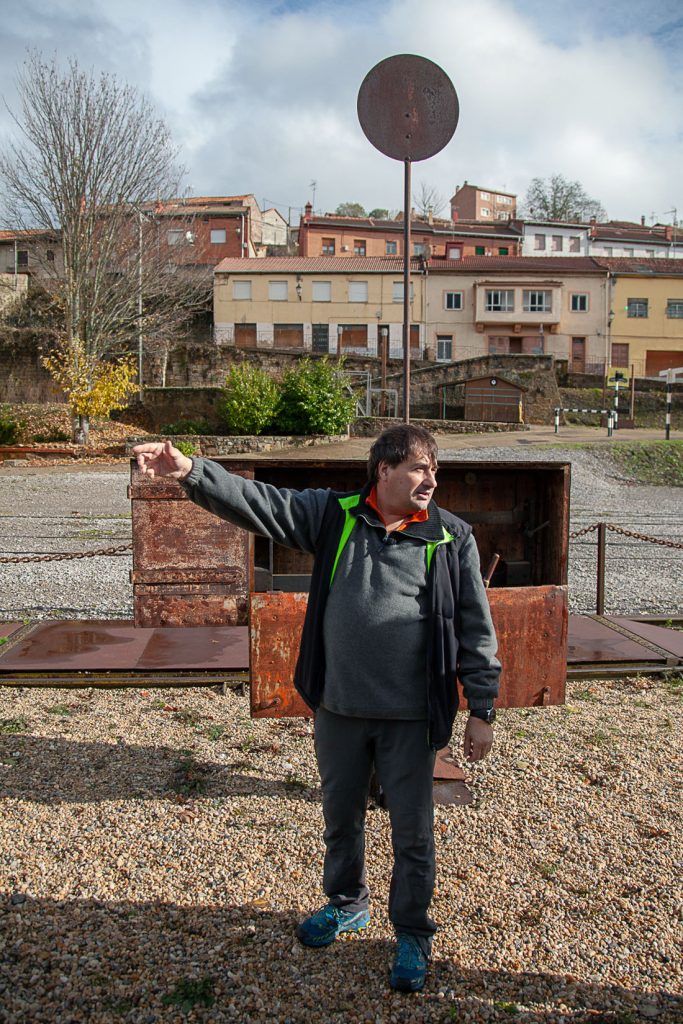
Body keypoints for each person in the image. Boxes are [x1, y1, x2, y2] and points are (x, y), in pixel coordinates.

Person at [133, 424, 500, 993]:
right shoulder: (337, 515)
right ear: (383, 470)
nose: (432, 479)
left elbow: (476, 628)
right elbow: (263, 504)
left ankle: (411, 932)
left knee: (413, 832)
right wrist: (190, 472)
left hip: (411, 716)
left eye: (434, 469)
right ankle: (348, 903)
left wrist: (482, 708)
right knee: (341, 819)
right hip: (339, 707)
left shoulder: (450, 537)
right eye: (419, 468)